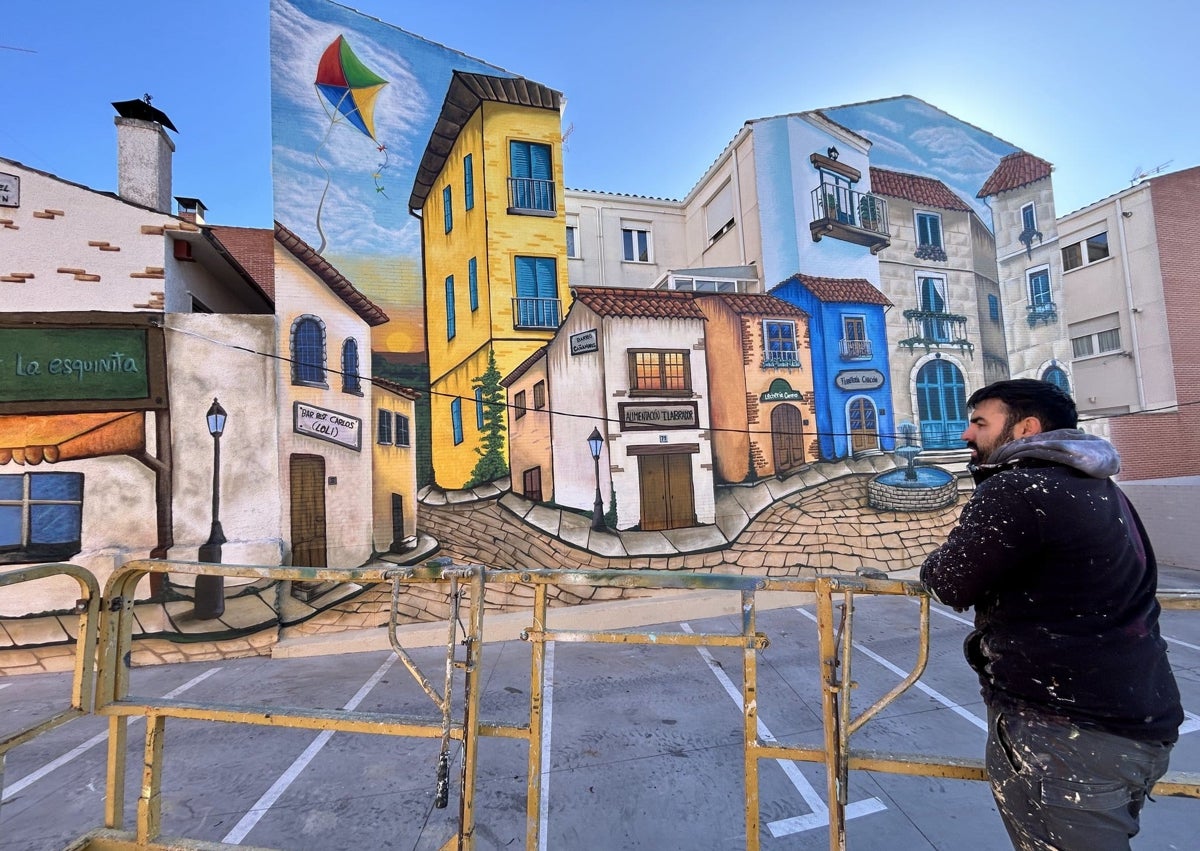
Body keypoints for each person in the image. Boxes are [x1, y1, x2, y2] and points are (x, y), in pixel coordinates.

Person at [920, 379, 1182, 850]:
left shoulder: (1018, 488)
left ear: (1026, 428)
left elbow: (949, 580)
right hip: (1134, 721)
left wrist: (936, 558)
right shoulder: (1101, 487)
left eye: (980, 422)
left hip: (1069, 736)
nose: (966, 435)